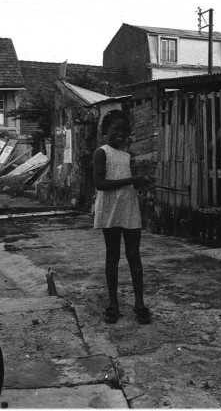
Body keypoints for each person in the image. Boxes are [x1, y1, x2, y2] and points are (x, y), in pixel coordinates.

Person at [92, 109, 153, 324]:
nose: (120, 134)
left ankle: (140, 304)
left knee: (134, 255)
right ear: (106, 130)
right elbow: (100, 184)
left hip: (128, 206)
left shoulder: (127, 155)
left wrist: (140, 181)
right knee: (113, 256)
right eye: (116, 130)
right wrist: (131, 181)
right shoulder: (102, 152)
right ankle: (113, 304)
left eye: (124, 131)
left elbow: (129, 179)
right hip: (110, 207)